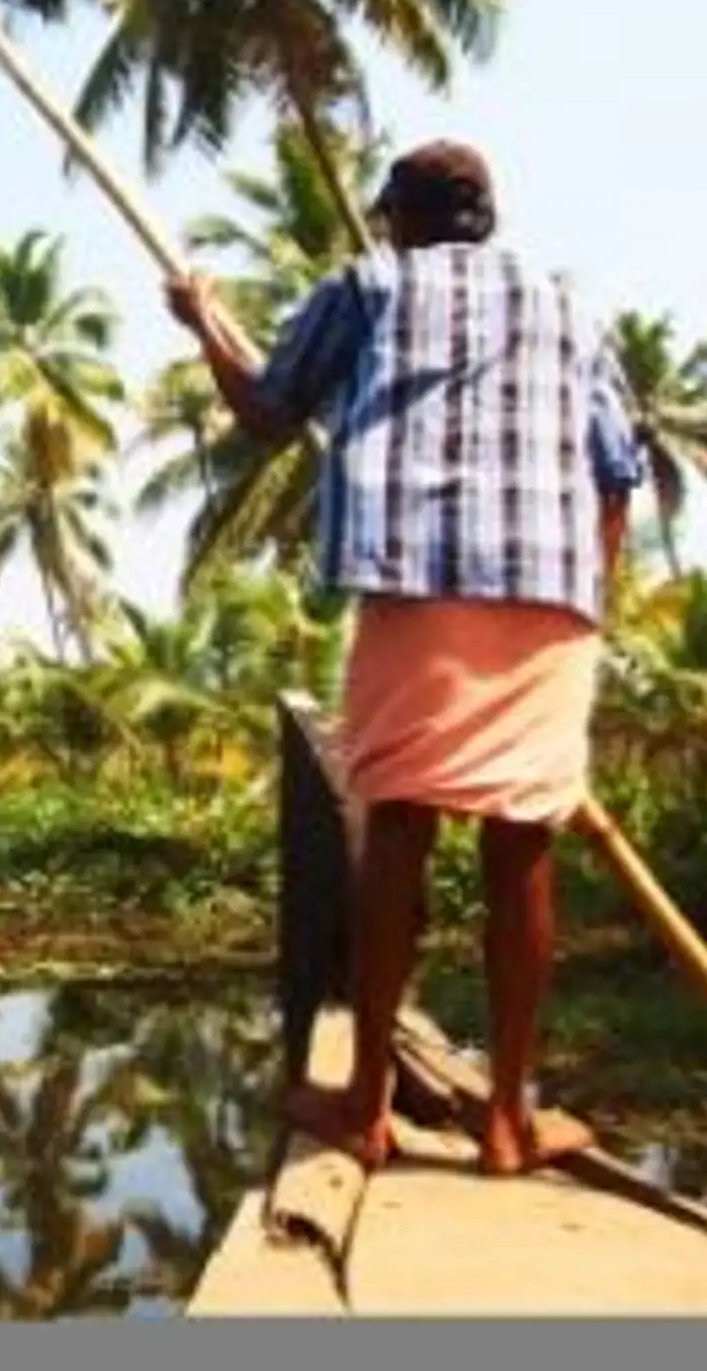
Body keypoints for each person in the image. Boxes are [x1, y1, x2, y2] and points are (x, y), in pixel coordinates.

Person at [163, 140, 645, 1177]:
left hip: (420, 580)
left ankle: (367, 1102)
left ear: (400, 218)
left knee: (399, 826)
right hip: (553, 595)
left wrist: (201, 317)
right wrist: (589, 602)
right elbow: (618, 476)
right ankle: (509, 1120)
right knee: (523, 848)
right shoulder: (571, 308)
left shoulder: (369, 283)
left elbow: (267, 408)